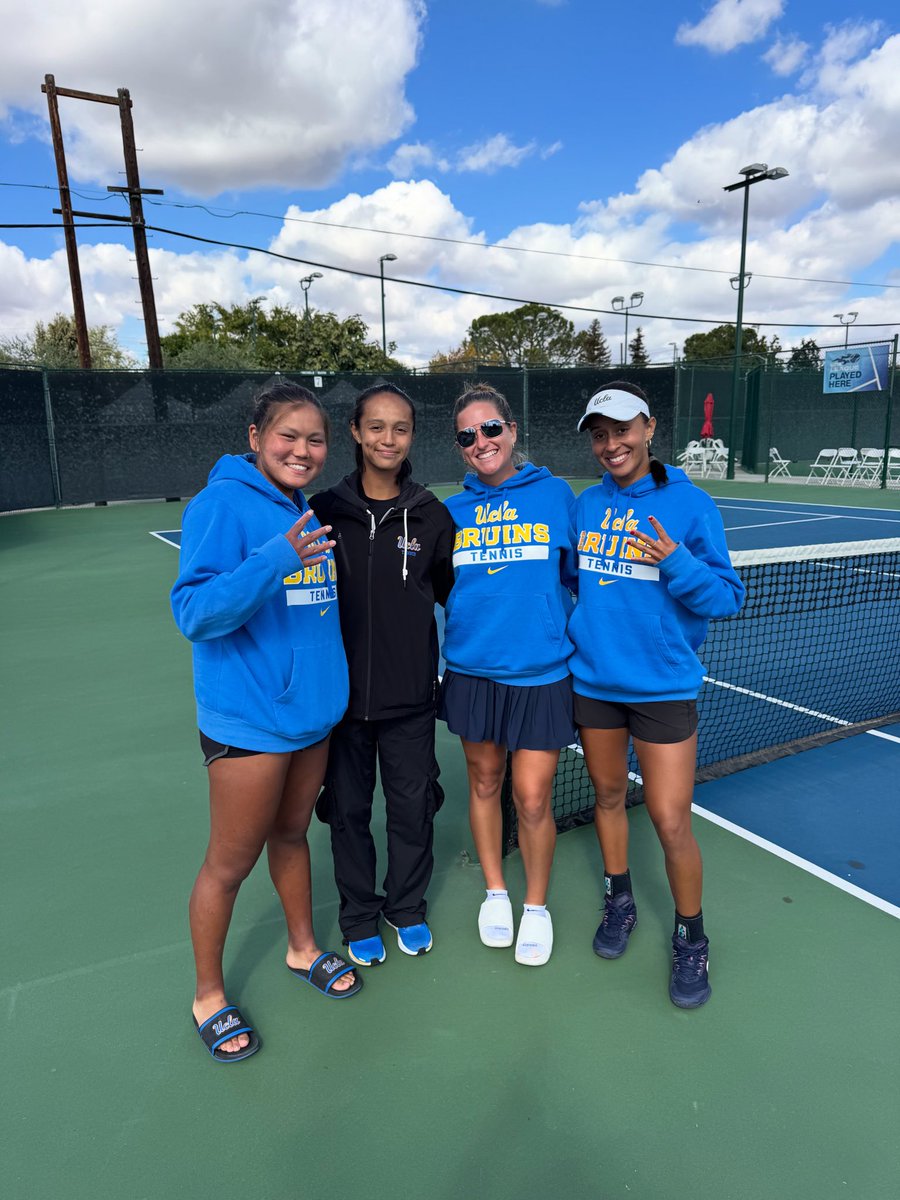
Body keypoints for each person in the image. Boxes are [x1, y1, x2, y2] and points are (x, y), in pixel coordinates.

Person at [171, 381, 361, 1064]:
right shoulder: (220, 505)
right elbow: (195, 612)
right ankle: (208, 995)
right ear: (256, 438)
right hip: (250, 722)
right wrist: (276, 557)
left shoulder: (301, 506)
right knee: (229, 864)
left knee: (290, 835)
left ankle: (302, 948)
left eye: (315, 440)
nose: (302, 450)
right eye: (288, 436)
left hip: (310, 719)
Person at [568, 381, 745, 1008]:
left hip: (663, 690)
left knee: (671, 820)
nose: (611, 444)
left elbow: (726, 598)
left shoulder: (690, 505)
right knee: (608, 797)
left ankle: (691, 937)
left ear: (648, 428)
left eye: (621, 430)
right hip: (595, 684)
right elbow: (576, 579)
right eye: (600, 434)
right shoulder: (587, 505)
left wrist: (676, 562)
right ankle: (619, 900)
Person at [310, 384, 454, 966]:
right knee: (347, 813)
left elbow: (454, 597)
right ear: (355, 431)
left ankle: (407, 908)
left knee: (411, 811)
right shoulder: (323, 511)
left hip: (411, 701)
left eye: (400, 428)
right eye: (376, 426)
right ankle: (358, 915)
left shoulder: (432, 515)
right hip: (339, 705)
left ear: (412, 436)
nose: (387, 439)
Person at [440, 383, 577, 967]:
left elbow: (579, 576)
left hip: (541, 675)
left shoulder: (555, 496)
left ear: (512, 431)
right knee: (484, 783)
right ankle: (496, 892)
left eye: (491, 428)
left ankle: (536, 906)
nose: (481, 441)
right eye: (467, 435)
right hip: (471, 672)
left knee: (533, 797)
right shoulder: (451, 512)